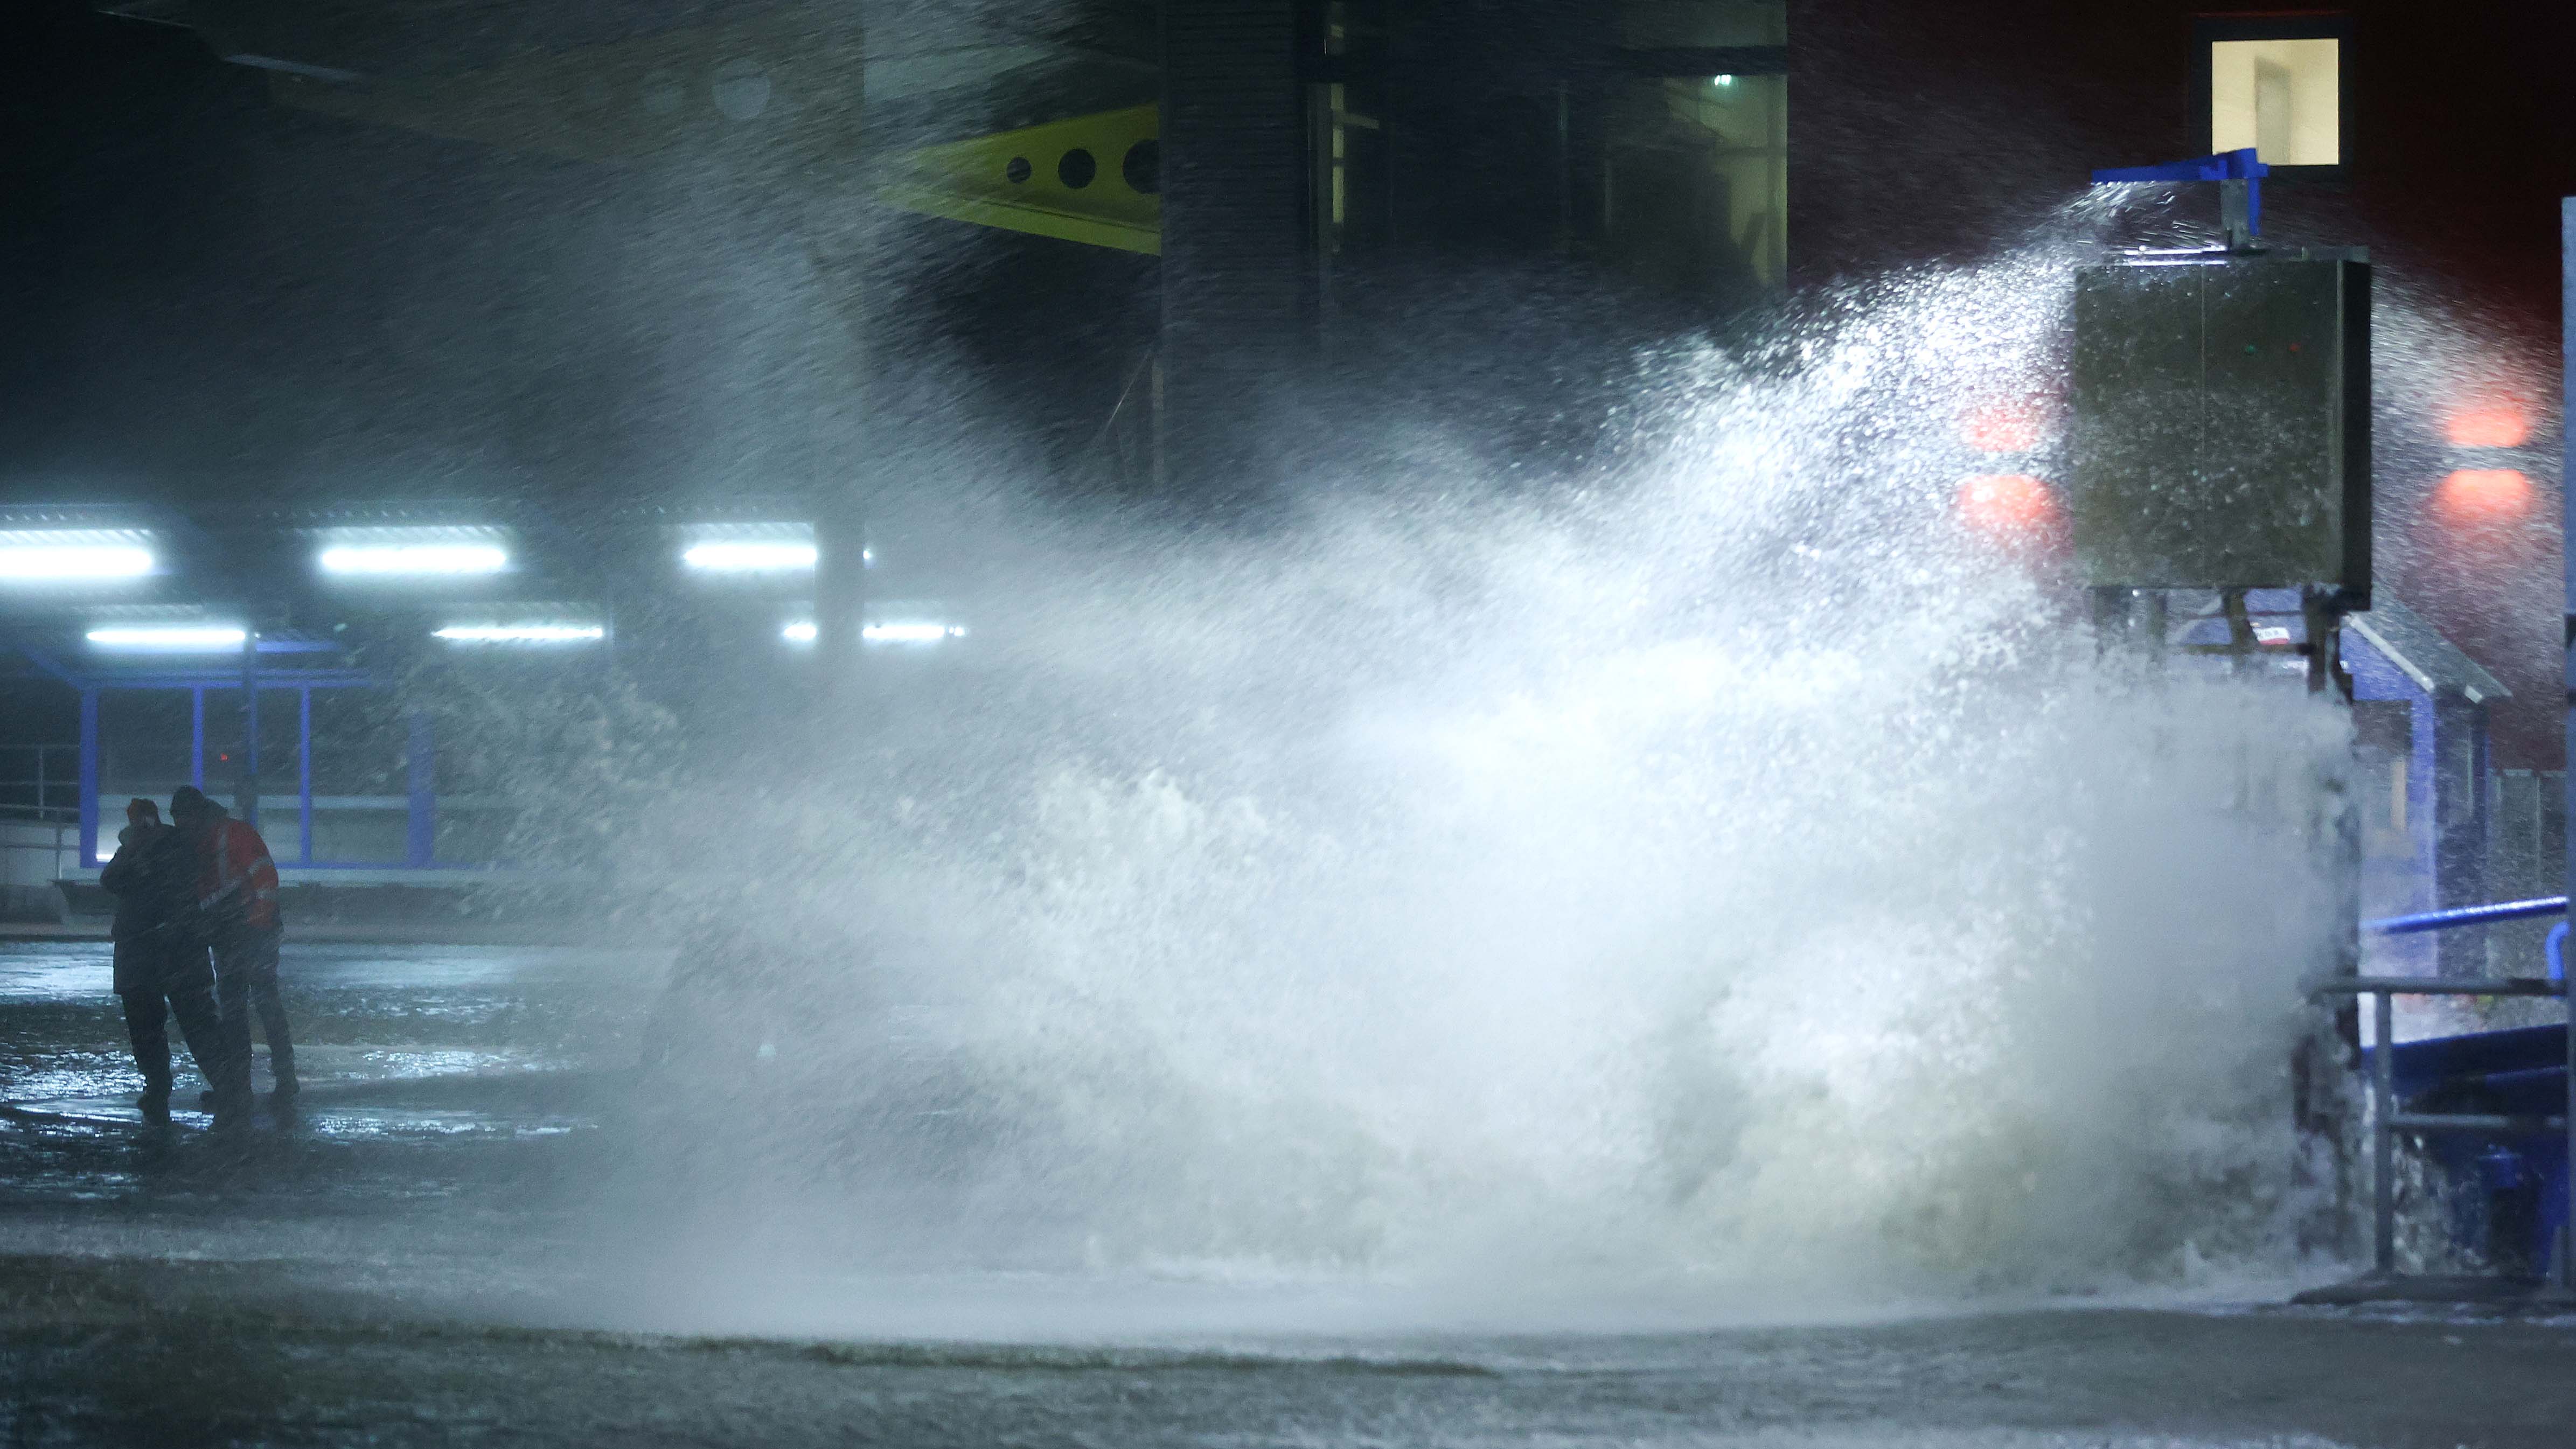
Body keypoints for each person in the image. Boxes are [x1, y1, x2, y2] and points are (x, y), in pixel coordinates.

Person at [99, 798, 241, 1126]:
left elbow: (112, 881)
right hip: (173, 950)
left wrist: (137, 849)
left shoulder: (153, 848)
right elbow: (115, 880)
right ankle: (224, 1087)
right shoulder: (177, 848)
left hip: (147, 951)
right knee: (194, 1022)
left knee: (155, 1027)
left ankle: (164, 1088)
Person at [170, 785, 295, 1111]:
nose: (182, 827)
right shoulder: (202, 842)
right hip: (236, 934)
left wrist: (253, 927)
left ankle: (276, 1083)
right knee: (241, 1010)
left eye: (184, 819)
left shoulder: (233, 835)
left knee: (255, 1007)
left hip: (254, 931)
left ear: (197, 816)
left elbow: (266, 882)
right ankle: (249, 1086)